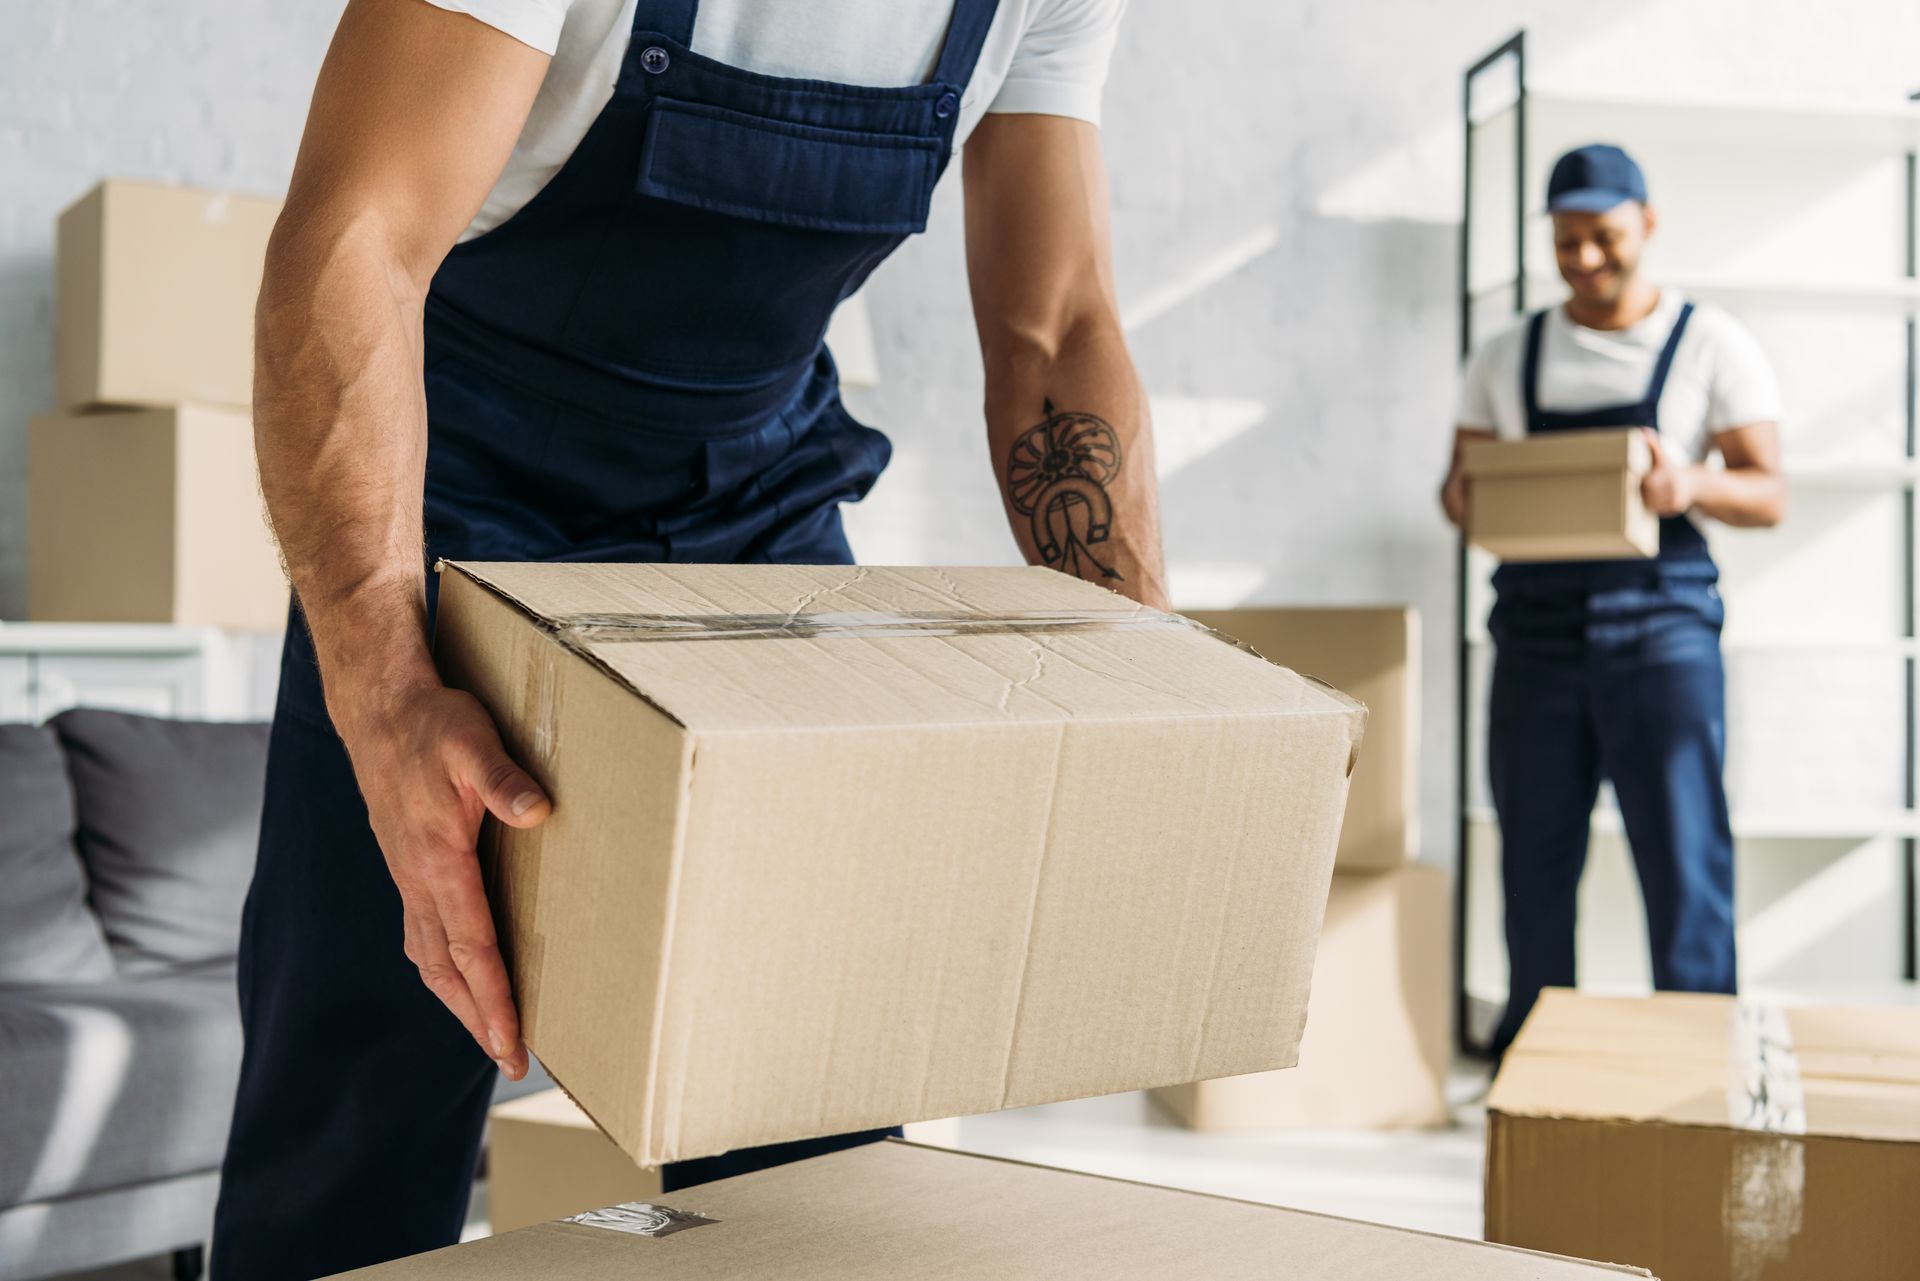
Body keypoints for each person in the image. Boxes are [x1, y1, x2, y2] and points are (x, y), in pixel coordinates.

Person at [212, 0, 1168, 1274]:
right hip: (455, 497)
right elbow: (357, 239)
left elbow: (1055, 329)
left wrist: (1151, 676)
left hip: (755, 511)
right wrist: (382, 687)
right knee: (360, 1091)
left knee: (810, 1117)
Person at [1440, 143, 1786, 1059]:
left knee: (1683, 857)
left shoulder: (1711, 342)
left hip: (1663, 631)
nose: (1586, 259)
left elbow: (1768, 491)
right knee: (1535, 856)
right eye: (1566, 242)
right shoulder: (1509, 354)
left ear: (1647, 224)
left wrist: (1691, 486)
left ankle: (1703, 1058)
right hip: (1536, 637)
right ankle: (1541, 1065)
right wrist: (1493, 490)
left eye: (1604, 237)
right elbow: (1458, 495)